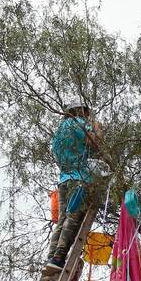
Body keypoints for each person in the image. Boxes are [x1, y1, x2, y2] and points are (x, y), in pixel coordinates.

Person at [45, 100, 100, 270]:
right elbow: (95, 141)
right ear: (80, 112)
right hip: (80, 178)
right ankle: (59, 257)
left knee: (63, 218)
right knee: (73, 217)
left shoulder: (59, 132)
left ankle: (51, 256)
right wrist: (97, 127)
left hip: (64, 179)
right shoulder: (78, 124)